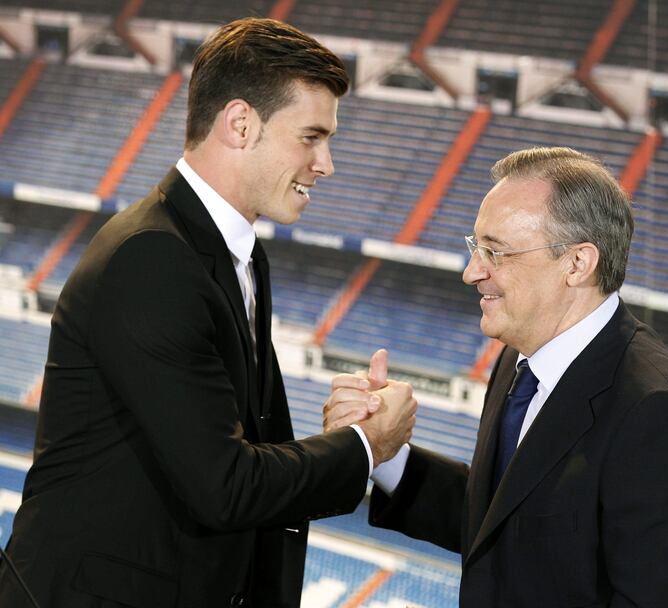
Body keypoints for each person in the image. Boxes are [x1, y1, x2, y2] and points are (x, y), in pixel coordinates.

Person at [0, 18, 416, 608]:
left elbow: (243, 445)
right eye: (311, 137)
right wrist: (365, 444)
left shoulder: (238, 255)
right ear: (241, 123)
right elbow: (224, 486)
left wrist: (342, 437)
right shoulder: (152, 258)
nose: (326, 164)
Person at [325, 147, 668, 607]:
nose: (471, 272)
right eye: (476, 247)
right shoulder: (520, 357)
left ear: (577, 263)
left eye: (496, 251)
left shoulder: (661, 413)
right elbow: (505, 521)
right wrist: (385, 452)